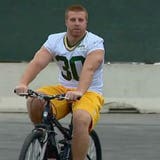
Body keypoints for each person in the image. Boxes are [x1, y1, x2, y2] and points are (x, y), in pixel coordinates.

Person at [14, 4, 105, 160]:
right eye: (73, 19)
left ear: (86, 23)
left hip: (89, 92)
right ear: (66, 22)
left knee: (81, 119)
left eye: (80, 20)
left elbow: (89, 69)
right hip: (63, 88)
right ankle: (46, 141)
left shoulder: (95, 42)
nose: (77, 23)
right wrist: (23, 83)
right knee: (35, 100)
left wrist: (79, 92)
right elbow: (38, 61)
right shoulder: (54, 39)